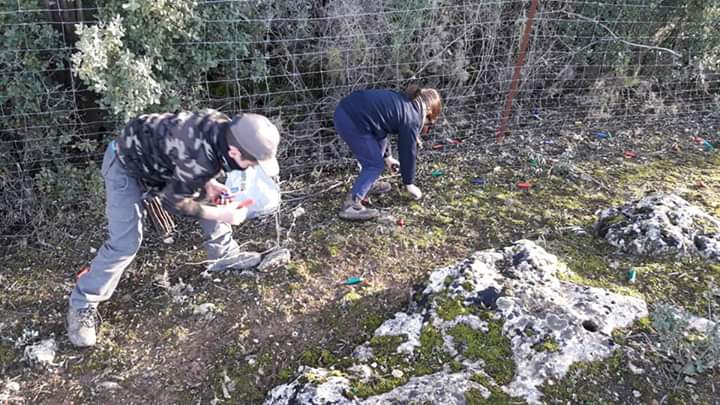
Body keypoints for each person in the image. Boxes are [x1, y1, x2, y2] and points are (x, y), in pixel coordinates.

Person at [67, 110, 280, 347]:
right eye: (251, 162)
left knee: (210, 196)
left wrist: (209, 184)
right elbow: (174, 202)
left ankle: (224, 255)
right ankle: (83, 302)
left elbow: (187, 154)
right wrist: (223, 214)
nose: (251, 167)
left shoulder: (222, 127)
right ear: (234, 152)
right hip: (124, 166)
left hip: (160, 165)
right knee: (125, 243)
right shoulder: (199, 158)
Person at [333, 85, 442, 220]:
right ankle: (351, 206)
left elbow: (382, 127)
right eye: (428, 123)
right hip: (351, 120)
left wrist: (388, 157)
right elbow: (408, 152)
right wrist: (409, 183)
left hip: (349, 111)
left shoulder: (405, 102)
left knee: (378, 152)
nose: (425, 126)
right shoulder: (412, 117)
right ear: (429, 111)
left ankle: (367, 185)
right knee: (374, 165)